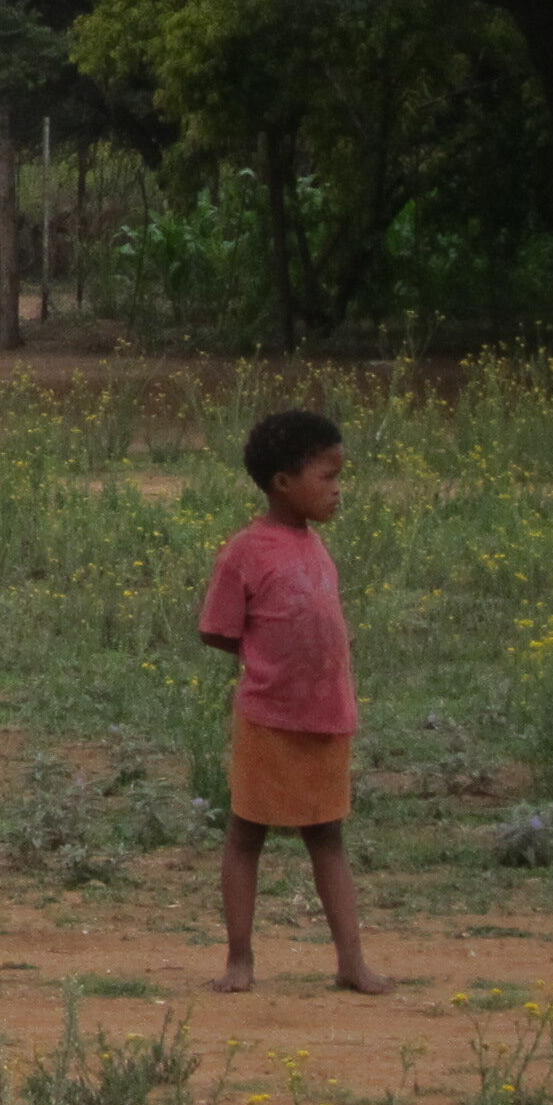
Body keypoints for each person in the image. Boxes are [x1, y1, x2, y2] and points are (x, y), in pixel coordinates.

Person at [200, 407, 389, 995]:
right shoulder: (247, 551)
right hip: (268, 720)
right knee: (245, 834)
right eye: (327, 476)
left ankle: (351, 962)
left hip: (326, 717)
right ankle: (239, 960)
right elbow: (217, 629)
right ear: (284, 483)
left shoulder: (314, 548)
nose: (337, 489)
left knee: (328, 837)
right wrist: (269, 664)